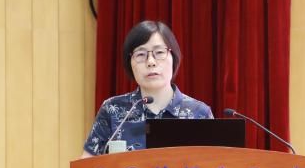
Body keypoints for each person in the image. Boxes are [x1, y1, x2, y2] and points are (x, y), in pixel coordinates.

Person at [81, 20, 213, 157]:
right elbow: (86, 165)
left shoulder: (199, 113)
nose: (151, 62)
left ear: (173, 57)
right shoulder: (113, 109)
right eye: (141, 54)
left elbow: (216, 164)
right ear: (130, 63)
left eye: (159, 52)